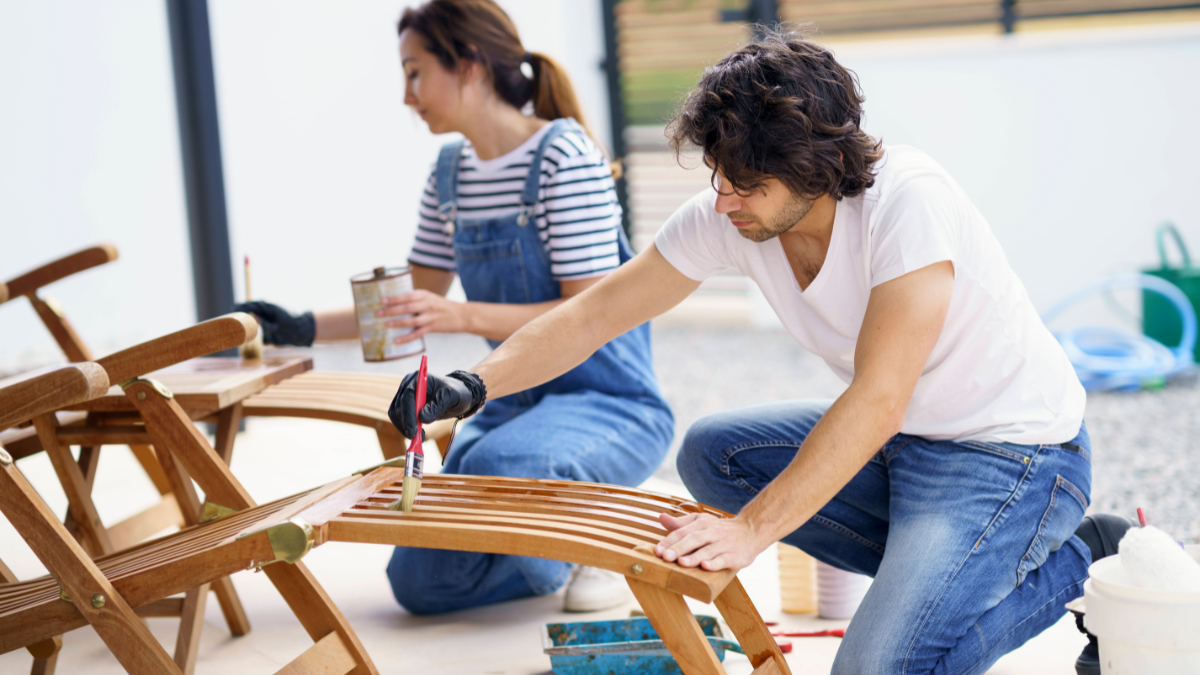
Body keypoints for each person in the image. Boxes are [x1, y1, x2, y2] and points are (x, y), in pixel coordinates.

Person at [392, 30, 1134, 675]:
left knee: (877, 667)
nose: (722, 198)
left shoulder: (909, 202)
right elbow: (597, 313)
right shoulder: (734, 213)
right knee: (714, 454)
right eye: (718, 173)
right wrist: (470, 383)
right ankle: (951, 570)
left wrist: (751, 530)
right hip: (910, 447)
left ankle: (1085, 556)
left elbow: (879, 399)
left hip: (1015, 455)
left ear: (816, 165)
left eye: (745, 181)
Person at [236, 0, 673, 615]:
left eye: (415, 72)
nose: (407, 95)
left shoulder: (562, 156)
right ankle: (559, 540)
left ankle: (598, 522)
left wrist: (465, 318)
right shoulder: (449, 174)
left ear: (468, 64)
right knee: (421, 582)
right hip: (513, 403)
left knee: (497, 461)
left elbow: (591, 312)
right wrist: (298, 327)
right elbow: (416, 296)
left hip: (608, 404)